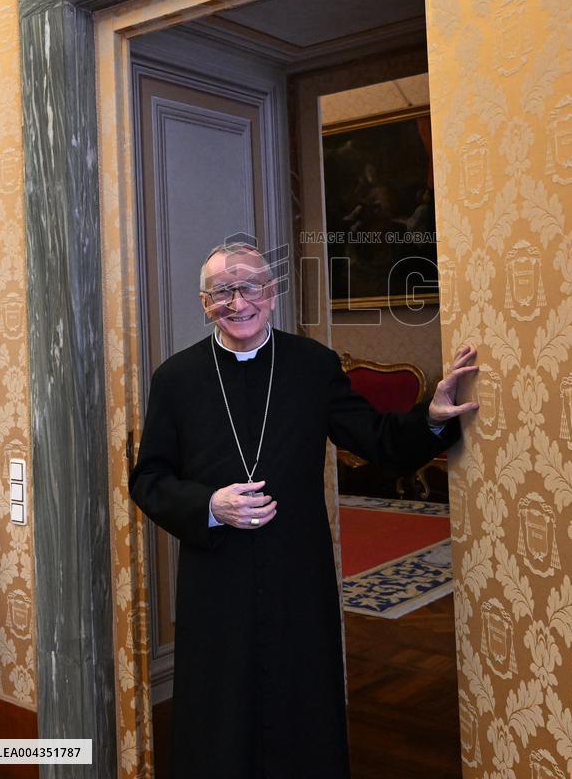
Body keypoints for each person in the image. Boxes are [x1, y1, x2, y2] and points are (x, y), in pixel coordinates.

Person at [129, 241, 478, 779]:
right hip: (215, 577)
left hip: (297, 569)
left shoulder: (312, 365)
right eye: (222, 291)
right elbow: (148, 478)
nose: (237, 301)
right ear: (204, 303)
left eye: (250, 287)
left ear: (271, 295)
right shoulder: (175, 379)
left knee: (301, 699)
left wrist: (430, 416)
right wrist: (209, 505)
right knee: (221, 710)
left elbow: (377, 440)